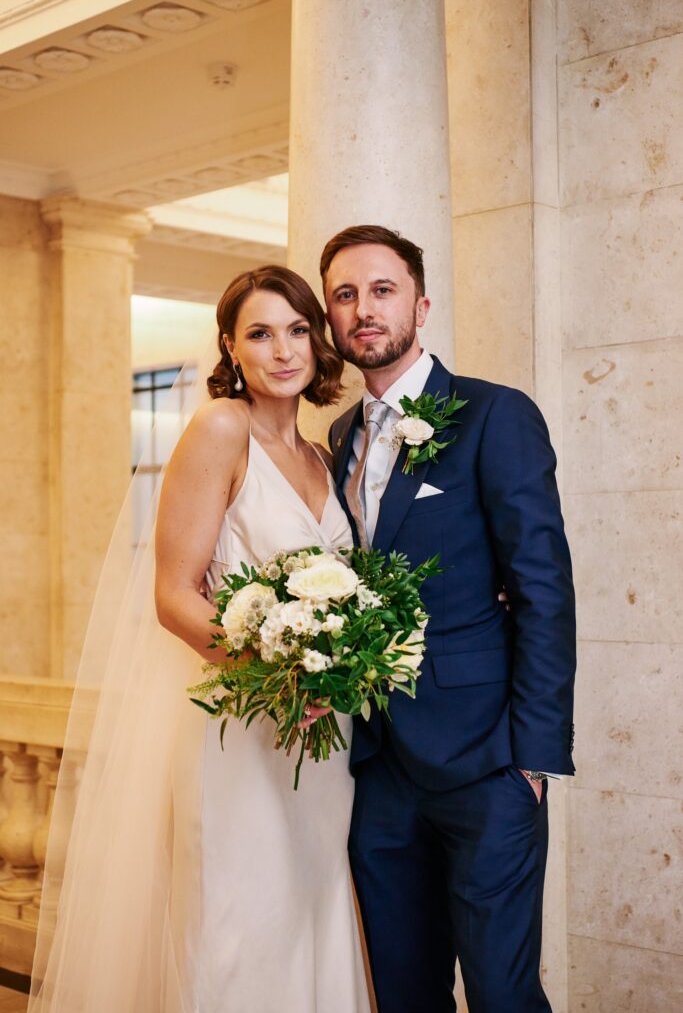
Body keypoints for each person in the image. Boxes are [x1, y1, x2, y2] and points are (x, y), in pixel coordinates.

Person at [28, 266, 371, 1013]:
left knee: (310, 910)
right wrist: (281, 680)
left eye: (295, 329)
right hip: (241, 728)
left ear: (316, 340)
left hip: (322, 739)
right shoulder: (221, 428)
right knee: (238, 921)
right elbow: (174, 597)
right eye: (258, 333)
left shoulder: (320, 455)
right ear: (230, 347)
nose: (282, 349)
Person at [323, 225, 576, 1013]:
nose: (363, 309)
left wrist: (531, 761)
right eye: (344, 295)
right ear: (332, 318)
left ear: (421, 303)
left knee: (500, 993)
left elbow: (543, 592)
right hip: (379, 767)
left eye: (382, 289)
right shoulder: (336, 439)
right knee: (402, 990)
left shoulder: (493, 415)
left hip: (487, 763)